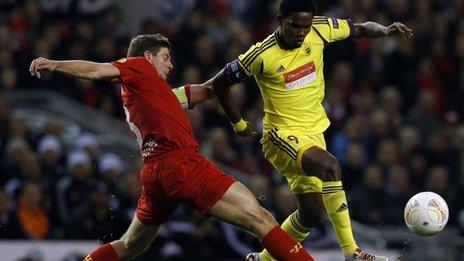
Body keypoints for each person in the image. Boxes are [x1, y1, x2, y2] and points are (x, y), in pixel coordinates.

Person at [29, 34, 315, 261]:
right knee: (260, 218)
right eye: (166, 58)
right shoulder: (137, 67)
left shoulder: (155, 92)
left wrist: (240, 72)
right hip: (181, 165)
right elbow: (97, 71)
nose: (171, 65)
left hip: (155, 175)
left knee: (129, 245)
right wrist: (55, 64)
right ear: (148, 56)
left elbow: (208, 89)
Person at [205, 0, 413, 260]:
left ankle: (264, 259)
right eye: (294, 26)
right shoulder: (261, 54)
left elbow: (359, 28)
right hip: (280, 135)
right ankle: (352, 252)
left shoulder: (320, 29)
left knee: (312, 215)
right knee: (330, 166)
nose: (301, 33)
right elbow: (220, 84)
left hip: (314, 134)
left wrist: (384, 30)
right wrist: (238, 122)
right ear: (280, 20)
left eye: (305, 26)